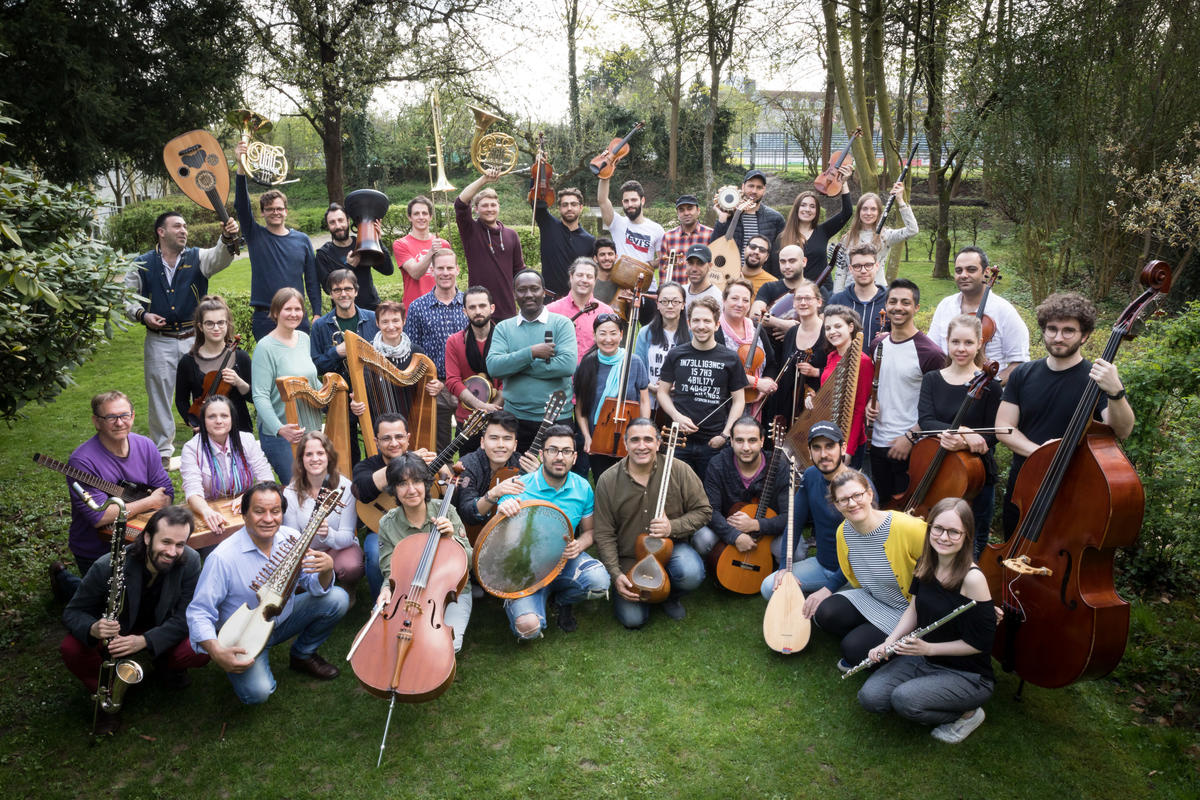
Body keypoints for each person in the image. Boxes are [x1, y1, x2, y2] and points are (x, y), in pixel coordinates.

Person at [187, 481, 349, 704]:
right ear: (244, 515)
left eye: (275, 511)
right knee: (259, 693)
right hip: (244, 636)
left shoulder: (290, 537)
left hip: (283, 620)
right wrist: (216, 651)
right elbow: (199, 612)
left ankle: (302, 654)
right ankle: (250, 667)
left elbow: (313, 586)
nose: (268, 519)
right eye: (259, 511)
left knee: (337, 599)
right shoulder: (222, 558)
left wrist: (326, 570)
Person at [857, 497, 996, 744]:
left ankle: (969, 712)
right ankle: (925, 693)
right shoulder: (927, 562)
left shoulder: (973, 579)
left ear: (967, 535)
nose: (943, 537)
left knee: (904, 700)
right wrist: (889, 641)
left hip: (967, 673)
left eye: (954, 532)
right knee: (870, 697)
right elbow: (914, 607)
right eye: (938, 529)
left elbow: (981, 643)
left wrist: (929, 647)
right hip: (924, 657)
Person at [60, 506, 209, 734]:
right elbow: (72, 612)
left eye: (180, 544)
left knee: (200, 647)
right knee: (71, 648)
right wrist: (93, 628)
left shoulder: (189, 561)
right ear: (147, 537)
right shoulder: (108, 565)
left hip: (157, 630)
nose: (172, 551)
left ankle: (166, 666)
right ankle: (107, 696)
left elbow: (187, 616)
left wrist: (145, 641)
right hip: (118, 634)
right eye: (166, 542)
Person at [996, 292, 1134, 536]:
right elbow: (1004, 427)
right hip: (1024, 486)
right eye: (1052, 329)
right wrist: (1042, 453)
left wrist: (1116, 392)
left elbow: (1122, 431)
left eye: (1068, 330)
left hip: (1074, 487)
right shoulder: (1022, 374)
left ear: (1085, 336)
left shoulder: (1096, 378)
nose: (1058, 337)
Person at [124, 210, 240, 465]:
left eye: (185, 226)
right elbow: (126, 298)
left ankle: (212, 439)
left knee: (205, 389)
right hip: (159, 339)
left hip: (193, 339)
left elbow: (219, 257)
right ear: (161, 232)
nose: (184, 230)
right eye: (177, 226)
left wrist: (226, 238)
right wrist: (143, 315)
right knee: (159, 395)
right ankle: (163, 451)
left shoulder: (198, 257)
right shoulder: (142, 263)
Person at [51, 392, 173, 601]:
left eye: (124, 415)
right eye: (111, 418)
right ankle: (63, 580)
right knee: (111, 607)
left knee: (150, 599)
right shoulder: (81, 461)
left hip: (139, 540)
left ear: (133, 416)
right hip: (96, 549)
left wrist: (153, 503)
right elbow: (100, 516)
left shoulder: (146, 446)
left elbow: (167, 495)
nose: (119, 423)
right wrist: (149, 502)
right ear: (96, 422)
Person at [495, 425, 612, 638]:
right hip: (524, 568)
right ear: (542, 454)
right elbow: (497, 538)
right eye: (553, 450)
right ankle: (529, 601)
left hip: (564, 560)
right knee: (528, 629)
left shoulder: (583, 487)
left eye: (566, 451)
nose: (559, 457)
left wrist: (580, 544)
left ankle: (561, 601)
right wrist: (503, 511)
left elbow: (590, 532)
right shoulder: (519, 486)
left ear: (575, 457)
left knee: (599, 582)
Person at [593, 419, 712, 627]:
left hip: (671, 549)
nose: (642, 446)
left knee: (691, 572)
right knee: (633, 620)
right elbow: (604, 533)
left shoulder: (679, 470)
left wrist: (671, 527)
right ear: (626, 443)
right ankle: (648, 593)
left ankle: (670, 595)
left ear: (658, 444)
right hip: (630, 556)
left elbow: (704, 511)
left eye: (648, 439)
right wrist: (616, 574)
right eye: (635, 440)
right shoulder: (608, 480)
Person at [806, 469, 925, 670]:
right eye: (843, 500)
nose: (852, 503)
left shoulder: (906, 527)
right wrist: (826, 590)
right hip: (873, 598)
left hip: (908, 609)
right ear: (836, 504)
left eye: (857, 495)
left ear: (869, 494)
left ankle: (893, 642)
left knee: (852, 650)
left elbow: (947, 560)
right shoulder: (843, 533)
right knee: (825, 613)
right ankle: (870, 632)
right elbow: (850, 570)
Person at [918, 315, 1003, 557]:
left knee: (973, 537)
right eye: (955, 342)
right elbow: (926, 421)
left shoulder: (991, 386)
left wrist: (968, 442)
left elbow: (993, 434)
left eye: (968, 342)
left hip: (976, 475)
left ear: (979, 344)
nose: (961, 349)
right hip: (937, 468)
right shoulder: (932, 379)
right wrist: (964, 431)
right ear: (947, 342)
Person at [761, 421, 873, 601]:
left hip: (854, 575)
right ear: (810, 451)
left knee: (826, 615)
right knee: (769, 587)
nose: (824, 454)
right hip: (822, 566)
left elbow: (865, 549)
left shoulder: (859, 486)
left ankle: (822, 599)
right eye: (817, 448)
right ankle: (811, 598)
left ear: (843, 448)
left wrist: (829, 588)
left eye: (830, 446)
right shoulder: (811, 476)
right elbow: (794, 523)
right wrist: (784, 568)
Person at [376, 453, 472, 653]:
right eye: (402, 484)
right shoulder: (388, 523)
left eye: (417, 481)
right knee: (391, 642)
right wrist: (386, 590)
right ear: (393, 489)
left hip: (448, 593)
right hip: (407, 593)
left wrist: (452, 539)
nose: (411, 490)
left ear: (427, 484)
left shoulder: (446, 511)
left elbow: (470, 562)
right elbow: (390, 572)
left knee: (446, 645)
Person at [864, 279, 945, 503]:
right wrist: (869, 406)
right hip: (877, 442)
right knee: (882, 510)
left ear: (916, 307)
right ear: (886, 305)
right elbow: (877, 386)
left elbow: (940, 406)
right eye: (893, 301)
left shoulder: (930, 354)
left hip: (910, 447)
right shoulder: (877, 345)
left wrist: (911, 437)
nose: (898, 307)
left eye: (905, 302)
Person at [234, 143, 321, 340]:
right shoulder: (255, 235)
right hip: (265, 316)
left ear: (286, 211)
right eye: (270, 209)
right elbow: (241, 206)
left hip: (296, 314)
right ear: (263, 212)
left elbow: (312, 280)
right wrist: (241, 166)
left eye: (279, 208)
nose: (275, 212)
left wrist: (316, 312)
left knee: (299, 370)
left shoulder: (302, 240)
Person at [657, 296, 748, 479]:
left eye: (707, 321)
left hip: (713, 443)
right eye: (696, 320)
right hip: (679, 441)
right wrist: (676, 416)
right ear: (689, 324)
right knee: (675, 494)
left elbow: (739, 400)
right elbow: (662, 392)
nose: (701, 326)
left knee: (710, 496)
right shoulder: (676, 354)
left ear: (716, 325)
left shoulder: (730, 358)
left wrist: (725, 434)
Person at [486, 270, 577, 452]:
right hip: (515, 419)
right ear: (514, 294)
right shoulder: (504, 328)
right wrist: (531, 353)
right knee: (516, 475)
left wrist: (514, 366)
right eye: (522, 290)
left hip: (557, 417)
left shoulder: (562, 324)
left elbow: (567, 365)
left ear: (544, 291)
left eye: (534, 289)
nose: (528, 294)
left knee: (556, 474)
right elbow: (494, 367)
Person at [351, 413, 436, 600]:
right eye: (386, 438)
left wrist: (445, 473)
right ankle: (380, 604)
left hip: (423, 526)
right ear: (376, 441)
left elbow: (442, 495)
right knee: (374, 555)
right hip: (382, 528)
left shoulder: (422, 462)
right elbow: (361, 491)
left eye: (399, 437)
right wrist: (401, 463)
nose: (394, 443)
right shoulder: (367, 465)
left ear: (408, 438)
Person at [691, 416, 790, 562]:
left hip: (767, 532)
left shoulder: (779, 467)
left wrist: (755, 525)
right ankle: (716, 563)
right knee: (702, 538)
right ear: (730, 441)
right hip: (726, 527)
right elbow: (710, 511)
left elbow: (788, 516)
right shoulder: (718, 465)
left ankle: (771, 570)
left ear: (762, 441)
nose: (746, 448)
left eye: (752, 440)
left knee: (795, 549)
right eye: (739, 440)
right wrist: (734, 536)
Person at [928, 246, 1030, 383]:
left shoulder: (1004, 311)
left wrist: (990, 386)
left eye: (971, 269)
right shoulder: (945, 306)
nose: (963, 275)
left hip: (987, 396)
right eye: (959, 270)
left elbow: (1020, 363)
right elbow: (932, 351)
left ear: (987, 272)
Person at [251, 287, 319, 482]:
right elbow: (260, 395)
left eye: (298, 309)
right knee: (297, 487)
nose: (294, 314)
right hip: (281, 434)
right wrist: (280, 429)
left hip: (309, 427)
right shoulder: (265, 347)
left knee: (318, 486)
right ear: (275, 312)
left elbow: (310, 381)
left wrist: (334, 391)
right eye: (287, 309)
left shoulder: (304, 339)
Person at [180, 395, 273, 538]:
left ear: (232, 419)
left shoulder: (246, 440)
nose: (218, 421)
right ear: (203, 421)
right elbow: (192, 491)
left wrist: (248, 497)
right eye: (211, 416)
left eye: (224, 416)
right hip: (210, 511)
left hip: (245, 509)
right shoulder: (192, 448)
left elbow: (267, 479)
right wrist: (207, 512)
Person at [285, 431, 362, 597]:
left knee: (351, 567)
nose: (315, 459)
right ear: (301, 460)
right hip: (307, 551)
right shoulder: (290, 492)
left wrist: (328, 534)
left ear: (329, 456)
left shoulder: (345, 487)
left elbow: (347, 536)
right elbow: (292, 537)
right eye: (309, 454)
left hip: (338, 548)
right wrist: (311, 559)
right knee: (298, 581)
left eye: (320, 453)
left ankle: (350, 591)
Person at [404, 250, 466, 454]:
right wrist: (426, 381)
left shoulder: (469, 304)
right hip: (433, 386)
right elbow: (411, 351)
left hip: (466, 385)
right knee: (439, 449)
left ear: (457, 269)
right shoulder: (417, 307)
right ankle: (442, 484)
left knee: (468, 444)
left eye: (450, 268)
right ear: (432, 271)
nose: (445, 272)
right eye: (440, 268)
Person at [575, 314, 651, 480]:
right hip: (598, 437)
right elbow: (580, 409)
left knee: (631, 482)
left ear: (621, 335)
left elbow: (644, 401)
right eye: (602, 333)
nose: (608, 339)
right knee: (602, 481)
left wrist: (644, 430)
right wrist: (587, 437)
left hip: (629, 434)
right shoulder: (586, 365)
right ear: (594, 336)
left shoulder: (634, 362)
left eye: (613, 333)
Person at [175, 295, 253, 435]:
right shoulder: (188, 362)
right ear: (201, 326)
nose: (216, 328)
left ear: (227, 324)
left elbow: (254, 397)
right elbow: (181, 400)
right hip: (205, 431)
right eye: (209, 323)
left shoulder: (241, 357)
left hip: (239, 430)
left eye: (221, 323)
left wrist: (239, 382)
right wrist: (192, 422)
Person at [456, 169, 525, 320]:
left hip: (507, 308)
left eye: (493, 205)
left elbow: (519, 271)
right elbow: (460, 203)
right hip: (478, 308)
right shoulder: (470, 230)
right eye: (484, 205)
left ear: (498, 207)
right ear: (476, 209)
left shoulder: (511, 235)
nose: (489, 209)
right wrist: (484, 179)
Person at [810, 305, 874, 465]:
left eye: (838, 326)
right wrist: (813, 399)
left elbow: (859, 409)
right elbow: (828, 393)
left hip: (849, 440)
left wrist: (848, 450)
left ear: (851, 327)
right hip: (828, 434)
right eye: (828, 328)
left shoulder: (862, 361)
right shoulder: (831, 356)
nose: (832, 332)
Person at [445, 285, 505, 453]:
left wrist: (493, 408)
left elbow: (509, 381)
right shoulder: (454, 342)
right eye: (472, 307)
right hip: (467, 420)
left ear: (492, 308)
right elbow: (452, 381)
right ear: (465, 311)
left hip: (500, 417)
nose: (478, 311)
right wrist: (480, 406)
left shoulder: (505, 339)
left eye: (482, 306)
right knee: (467, 474)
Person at [453, 410, 531, 539]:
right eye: (494, 438)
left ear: (515, 445)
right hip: (472, 537)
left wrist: (536, 477)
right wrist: (494, 493)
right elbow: (467, 512)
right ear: (482, 442)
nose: (500, 445)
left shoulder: (522, 465)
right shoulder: (468, 465)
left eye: (507, 439)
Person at [832, 182, 918, 291]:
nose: (868, 213)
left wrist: (901, 201)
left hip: (877, 293)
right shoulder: (847, 238)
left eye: (873, 209)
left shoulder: (886, 236)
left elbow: (912, 230)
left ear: (879, 212)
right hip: (851, 294)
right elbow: (841, 271)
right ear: (859, 212)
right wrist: (837, 299)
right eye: (865, 209)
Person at [315, 202, 393, 312]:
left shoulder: (362, 243)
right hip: (343, 313)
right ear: (328, 226)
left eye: (341, 220)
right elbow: (328, 289)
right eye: (332, 222)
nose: (338, 226)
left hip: (371, 309)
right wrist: (349, 267)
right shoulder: (324, 254)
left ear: (348, 221)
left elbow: (388, 270)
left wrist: (378, 241)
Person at [716, 278, 778, 418]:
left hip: (755, 402)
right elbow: (720, 369)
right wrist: (757, 383)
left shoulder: (757, 328)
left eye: (745, 300)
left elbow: (771, 364)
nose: (740, 304)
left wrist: (765, 384)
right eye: (734, 298)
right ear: (724, 300)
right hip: (724, 403)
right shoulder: (715, 330)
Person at [776, 182, 853, 293]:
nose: (807, 209)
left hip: (822, 291)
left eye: (812, 206)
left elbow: (847, 212)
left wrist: (844, 182)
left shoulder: (823, 231)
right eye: (803, 205)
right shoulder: (783, 237)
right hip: (793, 293)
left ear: (816, 212)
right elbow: (776, 270)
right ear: (796, 208)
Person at [710, 169, 787, 277]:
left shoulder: (775, 219)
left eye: (759, 187)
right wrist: (722, 220)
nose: (754, 191)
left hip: (761, 279)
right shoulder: (729, 214)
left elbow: (779, 255)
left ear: (764, 190)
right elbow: (714, 247)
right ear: (743, 187)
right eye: (751, 186)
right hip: (731, 277)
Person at [773, 278, 828, 425]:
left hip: (816, 407)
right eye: (799, 299)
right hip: (787, 407)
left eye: (808, 298)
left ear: (819, 302)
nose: (803, 303)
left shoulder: (828, 333)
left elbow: (837, 371)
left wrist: (816, 372)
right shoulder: (791, 332)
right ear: (794, 303)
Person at [597, 178, 665, 288]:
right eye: (626, 201)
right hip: (619, 289)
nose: (630, 204)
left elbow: (664, 260)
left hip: (647, 290)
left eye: (634, 200)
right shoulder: (616, 223)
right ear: (622, 203)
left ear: (642, 201)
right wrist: (605, 175)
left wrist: (649, 265)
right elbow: (602, 200)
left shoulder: (657, 229)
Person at [634, 281, 689, 410]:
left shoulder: (691, 335)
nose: (670, 306)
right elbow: (639, 368)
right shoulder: (645, 333)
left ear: (683, 305)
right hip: (649, 402)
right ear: (657, 304)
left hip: (679, 403)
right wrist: (650, 386)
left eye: (675, 301)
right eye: (664, 301)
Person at [547, 257, 614, 362]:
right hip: (560, 375)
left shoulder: (606, 312)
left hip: (593, 374)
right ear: (571, 277)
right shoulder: (551, 310)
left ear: (595, 281)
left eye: (589, 276)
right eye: (580, 275)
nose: (584, 280)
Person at [392, 195, 452, 312]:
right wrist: (431, 252)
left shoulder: (443, 244)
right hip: (415, 309)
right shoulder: (401, 244)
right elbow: (415, 273)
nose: (421, 217)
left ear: (430, 217)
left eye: (424, 213)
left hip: (441, 306)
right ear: (409, 217)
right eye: (416, 214)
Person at [535, 187, 596, 298]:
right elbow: (535, 197)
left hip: (576, 301)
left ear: (581, 207)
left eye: (573, 204)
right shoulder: (548, 225)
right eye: (565, 205)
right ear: (559, 208)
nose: (569, 208)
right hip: (548, 300)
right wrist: (538, 175)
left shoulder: (589, 240)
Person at [828, 243, 888, 348]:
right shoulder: (836, 301)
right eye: (857, 266)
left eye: (868, 265)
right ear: (850, 269)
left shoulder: (891, 301)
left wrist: (892, 336)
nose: (863, 271)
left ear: (877, 266)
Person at [751, 243, 808, 351]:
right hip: (769, 352)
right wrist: (784, 324)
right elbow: (755, 316)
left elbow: (822, 326)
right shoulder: (769, 287)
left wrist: (795, 330)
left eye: (792, 261)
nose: (787, 266)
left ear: (803, 261)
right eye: (783, 261)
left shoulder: (817, 289)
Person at [661, 194, 714, 286]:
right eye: (681, 210)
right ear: (677, 213)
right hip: (677, 295)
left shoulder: (710, 235)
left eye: (690, 208)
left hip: (702, 294)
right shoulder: (668, 237)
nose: (686, 213)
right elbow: (663, 270)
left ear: (698, 211)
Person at [682, 243, 724, 312]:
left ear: (710, 266)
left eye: (700, 263)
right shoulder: (680, 293)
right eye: (690, 263)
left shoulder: (717, 299)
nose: (694, 269)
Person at [739, 234, 776, 298]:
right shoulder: (730, 274)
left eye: (762, 250)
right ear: (745, 249)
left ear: (767, 257)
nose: (756, 252)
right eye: (752, 247)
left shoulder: (772, 284)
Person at [592, 238, 620, 305]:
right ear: (595, 259)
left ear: (616, 257)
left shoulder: (622, 282)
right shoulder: (588, 280)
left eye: (610, 254)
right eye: (602, 255)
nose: (607, 258)